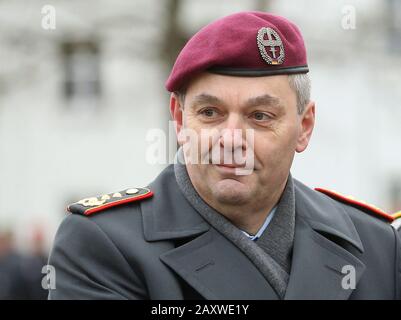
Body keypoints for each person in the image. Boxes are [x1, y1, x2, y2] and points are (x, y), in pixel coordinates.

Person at [48, 11, 401, 300]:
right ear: (180, 119)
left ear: (304, 127)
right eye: (210, 113)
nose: (231, 139)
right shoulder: (104, 245)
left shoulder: (376, 244)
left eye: (260, 116)